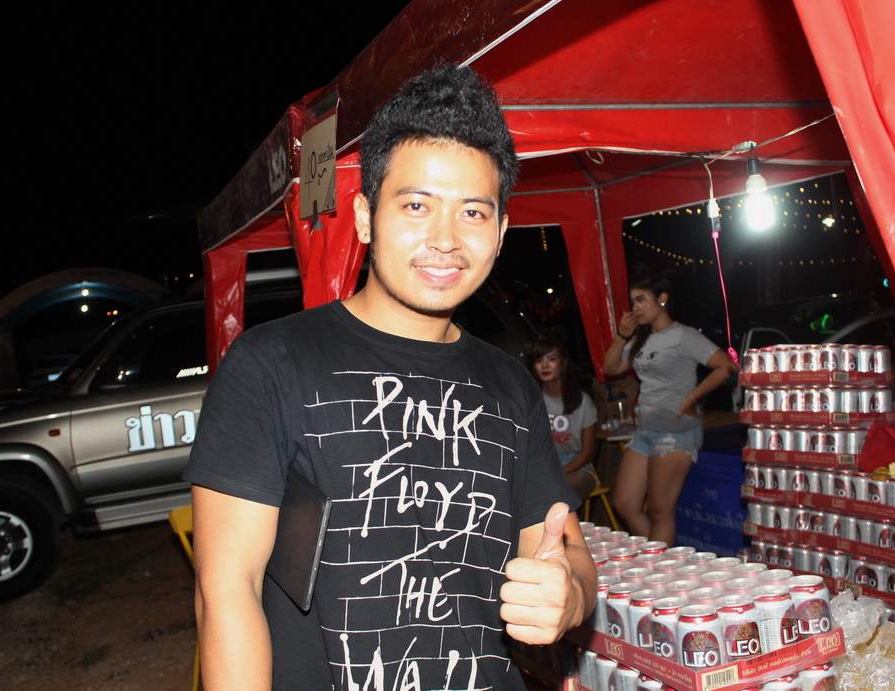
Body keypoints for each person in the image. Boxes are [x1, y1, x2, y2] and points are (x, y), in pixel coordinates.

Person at [184, 64, 596, 691]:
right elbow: (225, 590)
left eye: (473, 213)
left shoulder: (510, 385)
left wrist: (571, 596)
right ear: (364, 216)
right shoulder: (271, 364)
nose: (445, 239)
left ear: (501, 233)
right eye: (416, 205)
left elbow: (567, 550)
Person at [603, 275, 738, 546]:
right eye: (633, 302)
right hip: (645, 431)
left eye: (642, 300)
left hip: (675, 433)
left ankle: (656, 565)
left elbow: (727, 366)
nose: (635, 308)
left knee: (659, 511)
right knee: (624, 503)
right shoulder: (640, 339)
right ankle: (658, 556)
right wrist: (622, 336)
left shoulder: (683, 335)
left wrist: (692, 397)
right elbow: (610, 368)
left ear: (662, 298)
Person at [529, 337, 598, 500]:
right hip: (540, 468)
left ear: (564, 363)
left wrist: (559, 472)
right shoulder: (530, 400)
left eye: (552, 359)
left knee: (556, 490)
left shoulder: (583, 402)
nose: (545, 365)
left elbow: (588, 453)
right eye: (539, 360)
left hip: (576, 468)